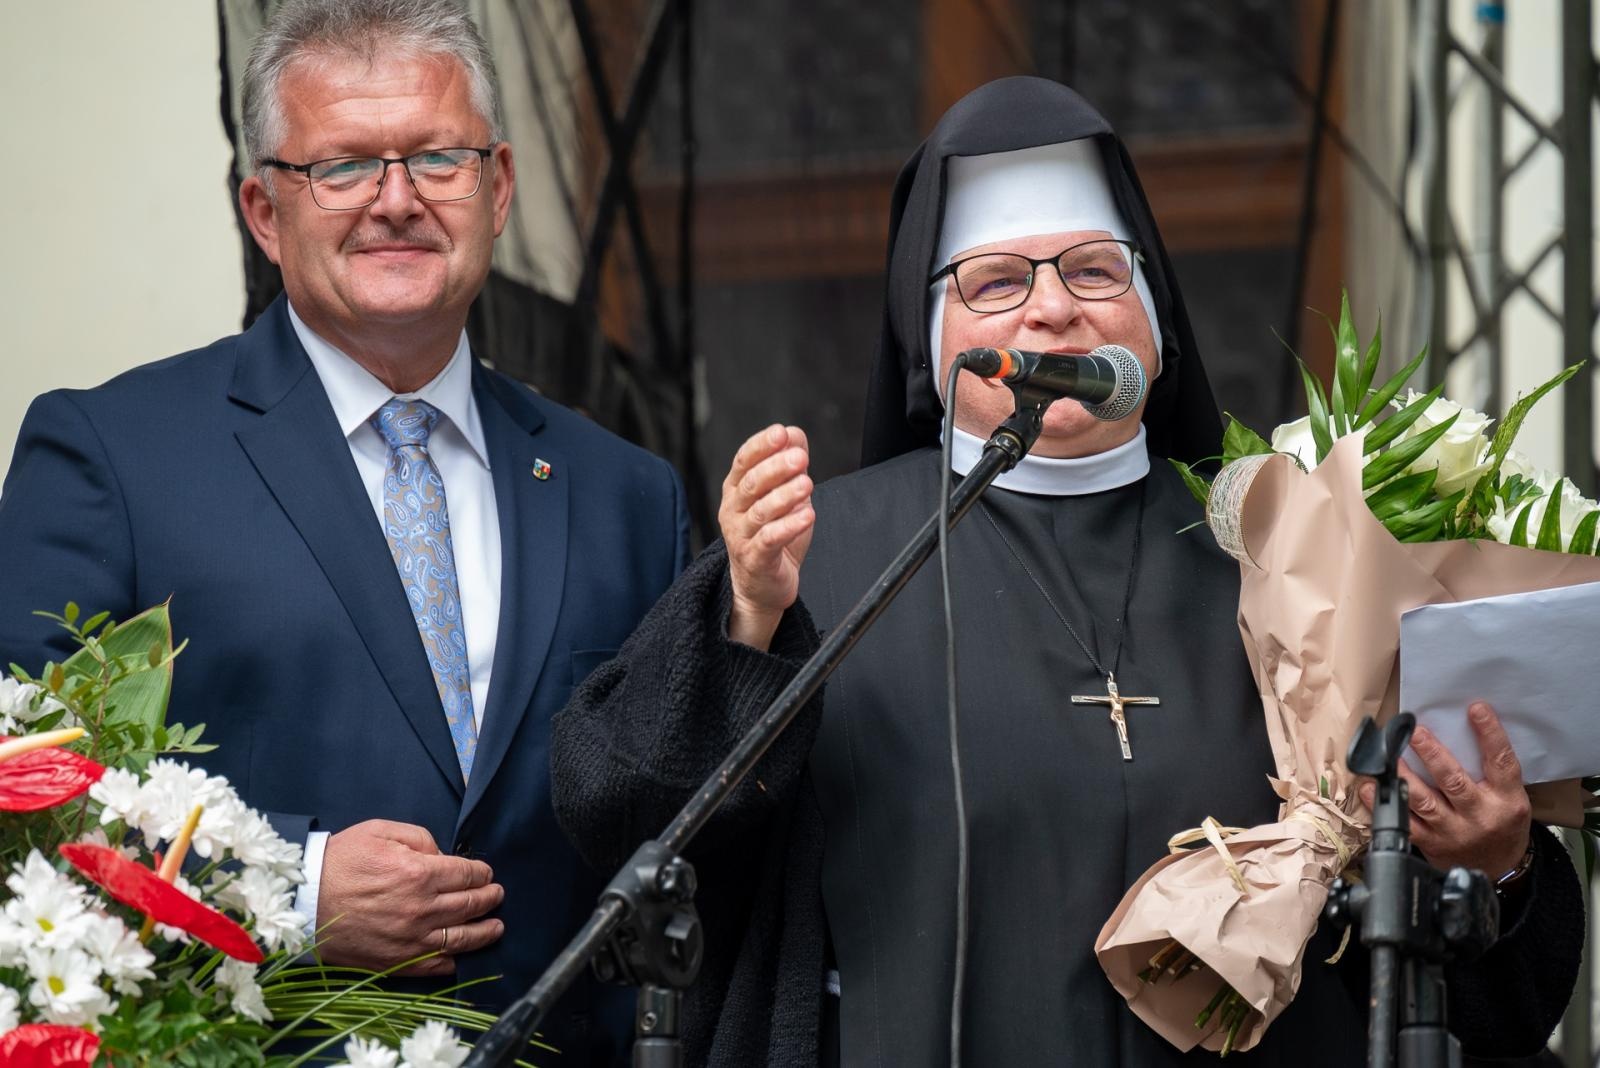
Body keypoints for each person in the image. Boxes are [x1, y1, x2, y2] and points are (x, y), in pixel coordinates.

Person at [551, 77, 1582, 1066]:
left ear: (1155, 319)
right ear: (933, 340)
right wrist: (743, 625)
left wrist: (1494, 865)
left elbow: (1499, 1010)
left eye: (1094, 269)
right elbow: (621, 820)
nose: (1053, 311)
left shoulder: (1290, 555)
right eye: (996, 282)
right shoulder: (819, 561)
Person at [0, 0, 687, 1060]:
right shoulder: (112, 456)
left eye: (436, 159)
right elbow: (23, 796)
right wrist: (294, 885)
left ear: (497, 188)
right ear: (264, 211)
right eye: (344, 167)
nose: (397, 201)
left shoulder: (625, 493)